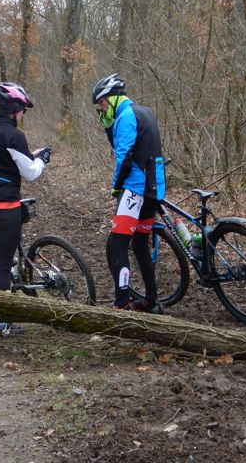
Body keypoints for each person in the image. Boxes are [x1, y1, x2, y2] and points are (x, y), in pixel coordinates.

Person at [0, 82, 52, 337]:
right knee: (4, 265)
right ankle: (1, 322)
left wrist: (30, 154)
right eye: (22, 111)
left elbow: (0, 161)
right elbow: (29, 173)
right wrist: (41, 160)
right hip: (5, 207)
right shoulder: (14, 135)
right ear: (14, 109)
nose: (22, 115)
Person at [91, 73, 166, 313]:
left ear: (113, 98)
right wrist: (107, 128)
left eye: (101, 103)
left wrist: (115, 186)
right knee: (141, 246)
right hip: (154, 189)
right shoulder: (145, 112)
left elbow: (123, 157)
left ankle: (121, 302)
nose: (101, 109)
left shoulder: (125, 116)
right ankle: (150, 300)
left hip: (134, 190)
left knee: (118, 245)